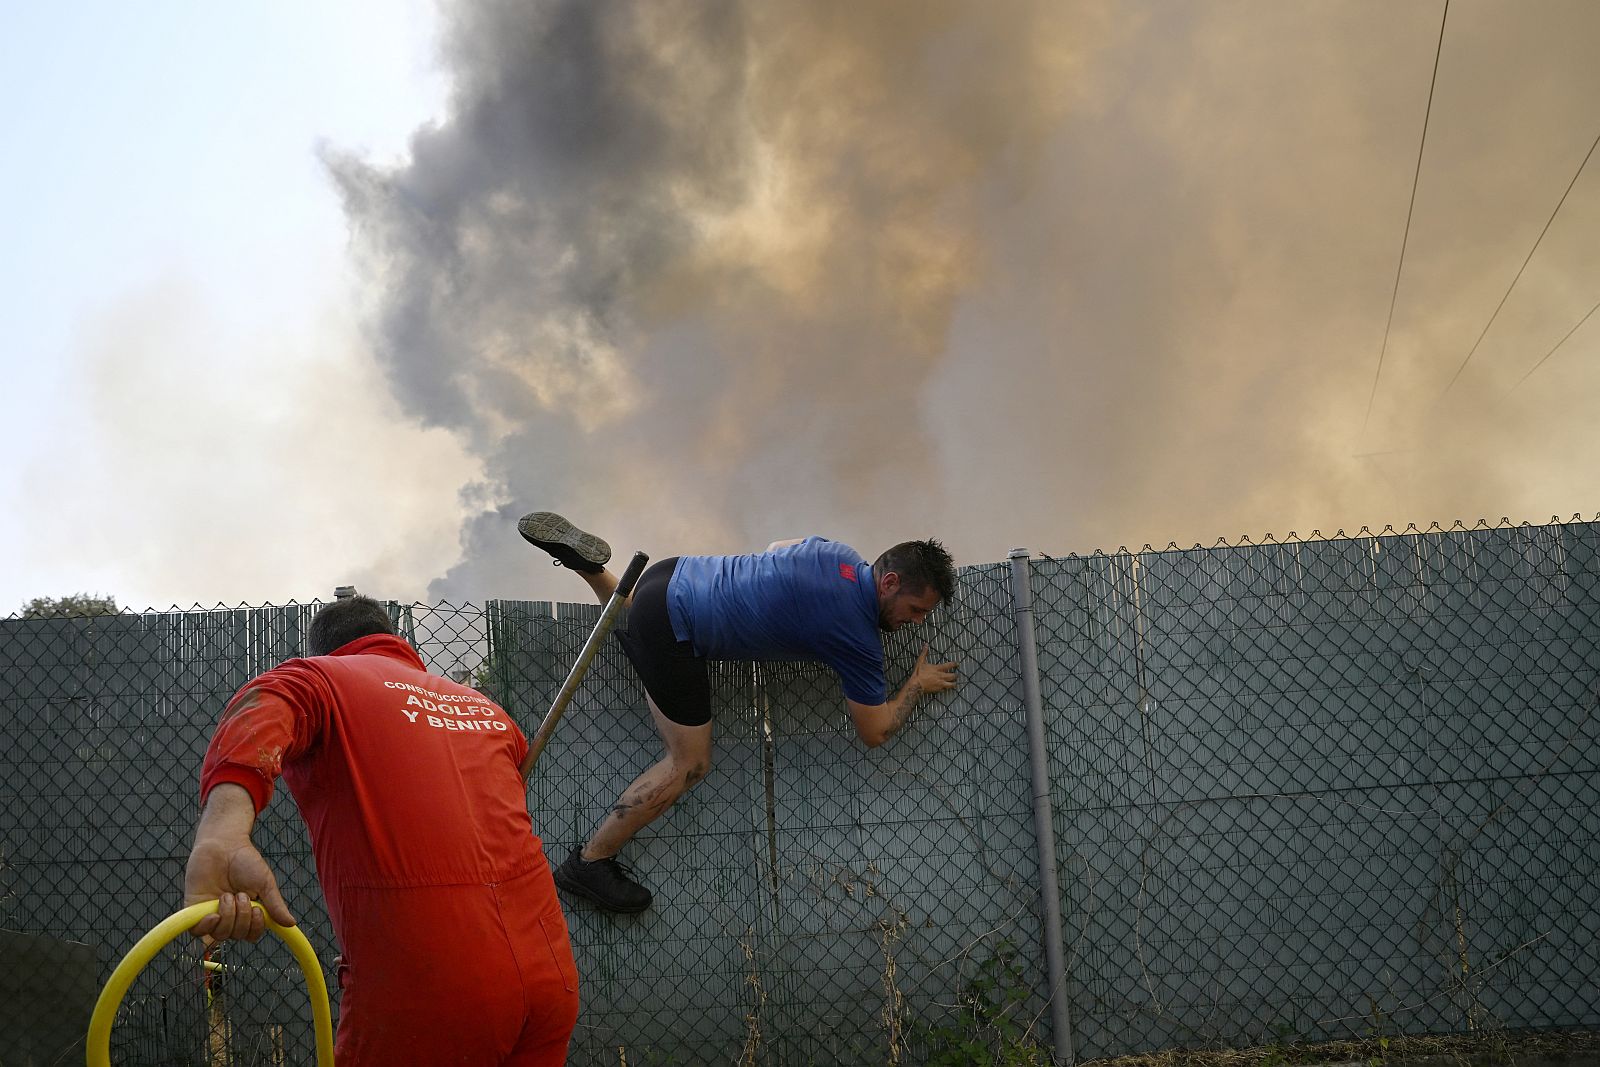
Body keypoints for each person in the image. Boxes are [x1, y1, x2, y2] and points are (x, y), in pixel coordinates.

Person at [182, 594, 579, 1066]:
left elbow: (268, 699)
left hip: (426, 992)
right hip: (549, 976)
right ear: (395, 639)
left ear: (326, 653)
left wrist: (222, 833)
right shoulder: (486, 709)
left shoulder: (323, 678)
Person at [517, 511, 960, 914]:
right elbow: (875, 731)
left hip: (669, 576)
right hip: (674, 626)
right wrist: (916, 685)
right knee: (690, 763)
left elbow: (776, 548)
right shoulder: (855, 634)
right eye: (916, 609)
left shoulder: (839, 554)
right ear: (889, 583)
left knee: (638, 611)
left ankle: (591, 569)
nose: (917, 621)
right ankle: (590, 861)